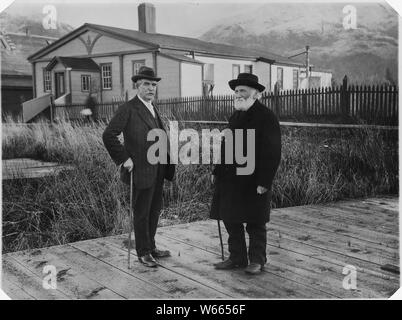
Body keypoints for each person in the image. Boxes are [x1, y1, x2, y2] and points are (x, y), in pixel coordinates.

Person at [103, 66, 175, 268]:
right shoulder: (128, 108)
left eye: (153, 84)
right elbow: (108, 135)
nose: (151, 88)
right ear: (137, 85)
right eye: (146, 84)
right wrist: (124, 159)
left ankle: (151, 247)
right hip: (140, 169)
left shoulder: (153, 108)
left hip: (158, 168)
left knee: (154, 210)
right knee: (142, 211)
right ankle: (143, 252)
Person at [210, 72, 281, 275]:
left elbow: (273, 152)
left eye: (243, 90)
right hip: (231, 179)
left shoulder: (267, 117)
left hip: (254, 179)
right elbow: (227, 146)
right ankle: (237, 257)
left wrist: (264, 181)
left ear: (256, 94)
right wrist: (217, 170)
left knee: (255, 221)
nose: (238, 94)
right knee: (230, 218)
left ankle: (257, 260)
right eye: (236, 91)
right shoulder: (235, 115)